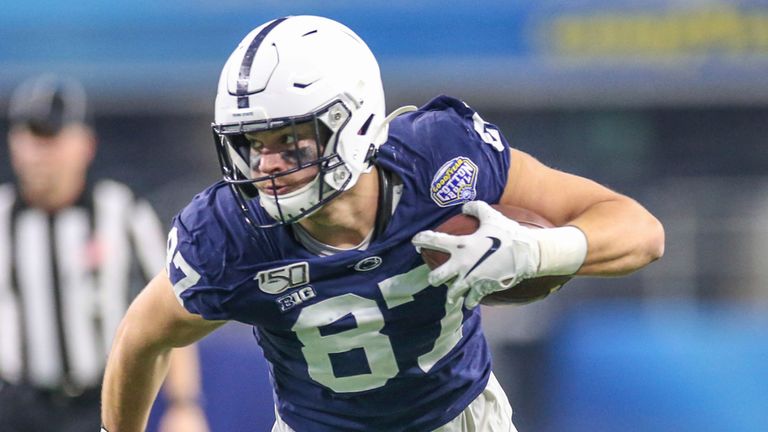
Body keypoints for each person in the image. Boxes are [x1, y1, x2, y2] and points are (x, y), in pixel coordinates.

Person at [101, 15, 665, 432]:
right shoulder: (231, 233)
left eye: (291, 140)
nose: (267, 165)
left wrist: (532, 253)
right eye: (253, 145)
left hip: (459, 419)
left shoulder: (442, 161)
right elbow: (142, 336)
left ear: (356, 121)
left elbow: (641, 231)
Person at [0, 74, 209, 432]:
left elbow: (173, 307)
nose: (38, 152)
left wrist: (183, 404)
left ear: (85, 144)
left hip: (98, 404)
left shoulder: (122, 212)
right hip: (16, 408)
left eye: (49, 137)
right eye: (28, 136)